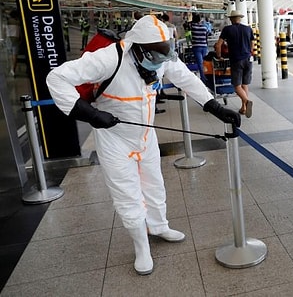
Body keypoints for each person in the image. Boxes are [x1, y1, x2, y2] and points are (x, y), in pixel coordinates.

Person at [46, 15, 240, 275]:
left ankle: (159, 226)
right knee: (128, 194)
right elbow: (56, 77)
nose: (163, 58)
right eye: (158, 53)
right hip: (114, 138)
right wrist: (90, 114)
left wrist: (214, 106)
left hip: (146, 135)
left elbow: (185, 77)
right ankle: (141, 247)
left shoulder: (159, 58)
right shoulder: (108, 58)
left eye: (165, 51)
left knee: (155, 184)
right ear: (138, 47)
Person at [215, 10, 254, 118]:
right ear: (240, 18)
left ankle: (246, 101)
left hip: (236, 60)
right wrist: (249, 52)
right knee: (245, 84)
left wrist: (219, 56)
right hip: (248, 59)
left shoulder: (227, 29)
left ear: (231, 19)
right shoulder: (248, 29)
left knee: (236, 86)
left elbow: (218, 45)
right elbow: (252, 44)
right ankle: (244, 108)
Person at [190, 13, 209, 83]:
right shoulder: (204, 27)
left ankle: (203, 77)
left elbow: (189, 24)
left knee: (200, 63)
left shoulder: (193, 27)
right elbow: (207, 36)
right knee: (205, 62)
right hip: (204, 46)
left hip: (196, 47)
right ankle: (206, 76)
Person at [6, 9, 20, 77]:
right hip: (16, 38)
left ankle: (10, 67)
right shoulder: (18, 22)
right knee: (15, 55)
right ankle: (13, 70)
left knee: (10, 54)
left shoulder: (8, 21)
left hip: (9, 38)